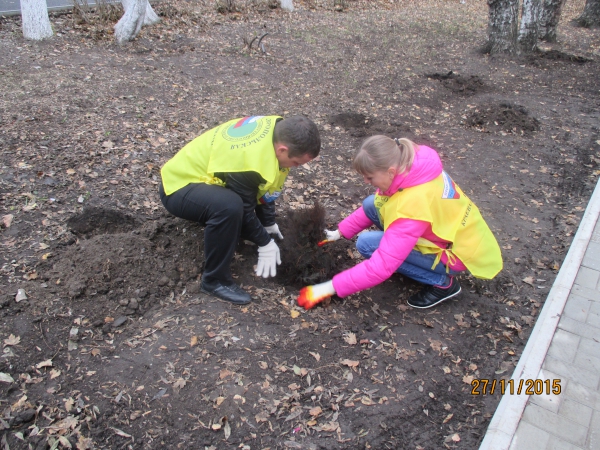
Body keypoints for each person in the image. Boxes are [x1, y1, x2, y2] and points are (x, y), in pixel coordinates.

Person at [298, 135, 502, 310]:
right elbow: (379, 203)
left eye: (370, 177)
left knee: (367, 244)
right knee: (371, 204)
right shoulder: (413, 163)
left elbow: (380, 267)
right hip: (453, 232)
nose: (366, 182)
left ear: (390, 172)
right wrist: (339, 232)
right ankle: (421, 263)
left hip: (456, 253)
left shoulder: (412, 205)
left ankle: (443, 283)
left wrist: (329, 288)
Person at [160, 115, 321, 305]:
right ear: (282, 149)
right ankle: (214, 280)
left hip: (207, 182)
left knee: (236, 210)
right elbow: (244, 206)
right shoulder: (248, 160)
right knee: (229, 207)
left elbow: (264, 184)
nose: (296, 167)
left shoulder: (278, 133)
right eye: (296, 163)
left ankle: (220, 222)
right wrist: (264, 243)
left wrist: (268, 223)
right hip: (179, 187)